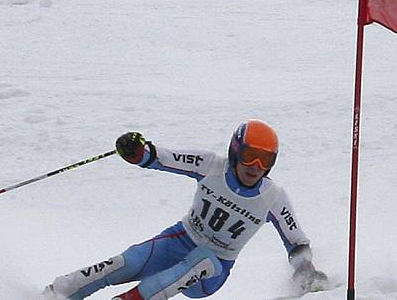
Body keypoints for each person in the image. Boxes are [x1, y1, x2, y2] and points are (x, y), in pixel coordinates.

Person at [44, 119, 327, 300]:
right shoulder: (210, 165)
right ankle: (57, 293)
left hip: (214, 268)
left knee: (199, 261)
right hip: (179, 239)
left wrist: (306, 270)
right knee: (127, 262)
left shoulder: (272, 197)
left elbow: (297, 243)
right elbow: (160, 158)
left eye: (265, 160)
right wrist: (136, 151)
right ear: (235, 150)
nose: (255, 167)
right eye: (250, 155)